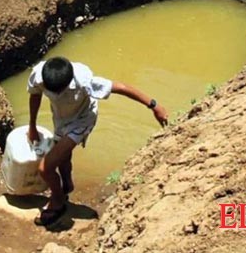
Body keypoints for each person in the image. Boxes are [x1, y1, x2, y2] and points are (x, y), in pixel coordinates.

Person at [27, 56, 168, 226]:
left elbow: (121, 87)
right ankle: (67, 185)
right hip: (61, 117)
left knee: (45, 168)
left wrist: (154, 106)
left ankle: (57, 201)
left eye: (60, 91)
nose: (55, 94)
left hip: (82, 119)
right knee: (62, 157)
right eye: (52, 91)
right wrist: (32, 126)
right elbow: (35, 95)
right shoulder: (38, 75)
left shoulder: (85, 80)